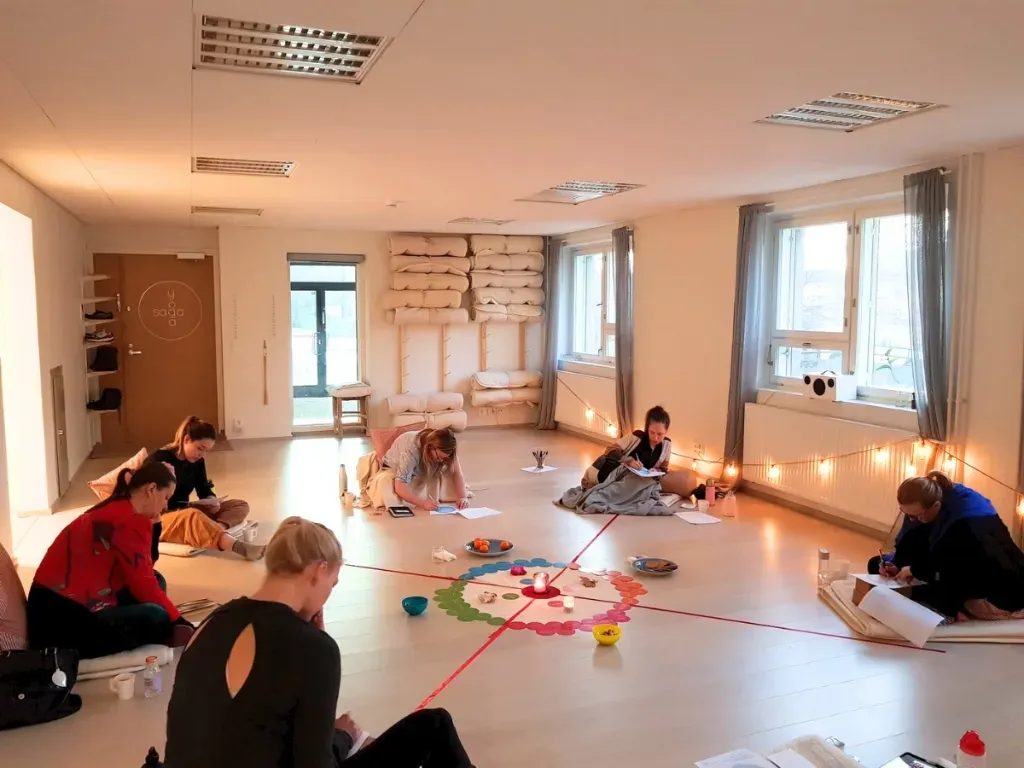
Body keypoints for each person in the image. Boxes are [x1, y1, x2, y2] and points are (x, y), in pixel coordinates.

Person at [161, 516, 475, 768]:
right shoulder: (314, 649)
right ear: (318, 570)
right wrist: (340, 738)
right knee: (434, 726)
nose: (329, 593)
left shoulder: (212, 621)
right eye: (332, 583)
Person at [27, 462, 195, 658]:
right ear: (151, 489)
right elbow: (143, 584)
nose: (166, 505)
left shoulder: (120, 505)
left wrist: (155, 524)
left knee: (157, 581)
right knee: (157, 616)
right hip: (63, 624)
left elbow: (146, 566)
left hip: (56, 606)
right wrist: (178, 621)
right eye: (166, 497)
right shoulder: (130, 520)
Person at [868, 471, 1024, 620]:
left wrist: (913, 570)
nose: (911, 520)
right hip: (952, 568)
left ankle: (959, 610)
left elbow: (954, 570)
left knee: (918, 593)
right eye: (907, 514)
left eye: (916, 515)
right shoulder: (931, 505)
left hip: (1000, 590)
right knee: (875, 564)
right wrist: (895, 564)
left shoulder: (966, 525)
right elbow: (915, 543)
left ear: (936, 506)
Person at [147, 416, 263, 560]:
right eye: (200, 448)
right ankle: (240, 547)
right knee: (192, 515)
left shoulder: (198, 462)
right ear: (186, 439)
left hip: (184, 509)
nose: (202, 454)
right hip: (160, 516)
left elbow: (204, 488)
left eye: (207, 451)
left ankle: (214, 530)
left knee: (240, 505)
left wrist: (211, 499)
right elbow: (147, 498)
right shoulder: (160, 459)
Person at [366, 427, 468, 512]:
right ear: (430, 448)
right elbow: (400, 486)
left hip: (421, 465)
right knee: (388, 486)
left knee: (446, 478)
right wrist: (422, 503)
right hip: (393, 466)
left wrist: (462, 497)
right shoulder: (412, 449)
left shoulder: (446, 448)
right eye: (439, 457)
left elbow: (457, 473)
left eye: (444, 458)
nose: (441, 461)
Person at [581, 405, 673, 488]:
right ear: (647, 428)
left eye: (660, 434)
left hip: (639, 480)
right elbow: (610, 450)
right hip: (617, 473)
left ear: (666, 432)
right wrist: (629, 461)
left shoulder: (667, 444)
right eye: (652, 432)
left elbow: (664, 468)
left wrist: (656, 470)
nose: (655, 437)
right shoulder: (636, 436)